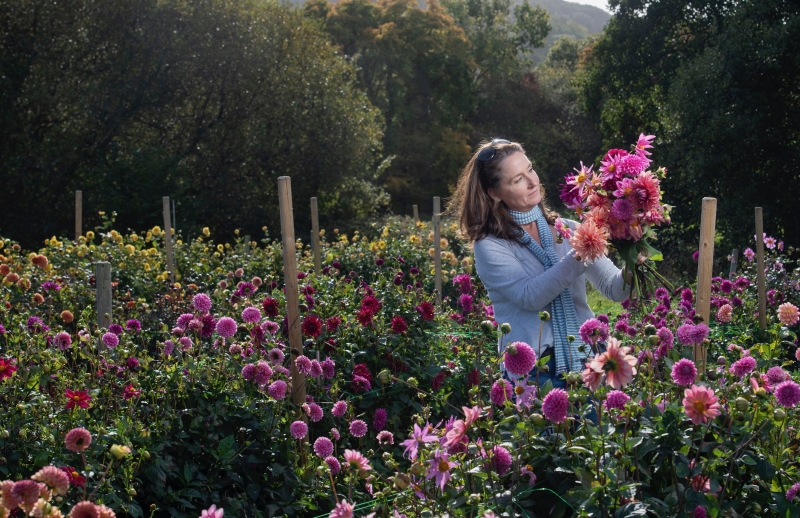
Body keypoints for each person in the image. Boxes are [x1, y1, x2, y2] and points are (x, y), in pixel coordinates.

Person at [450, 139, 629, 388]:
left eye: (530, 169)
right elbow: (530, 296)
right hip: (535, 371)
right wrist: (581, 252)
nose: (533, 181)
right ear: (495, 194)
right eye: (517, 179)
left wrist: (634, 260)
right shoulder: (491, 244)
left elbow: (615, 289)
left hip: (587, 356)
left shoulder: (570, 230)